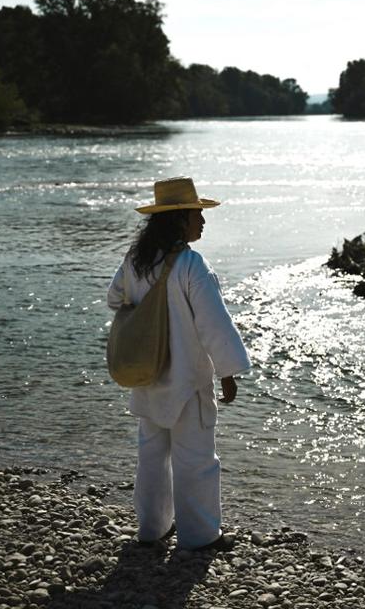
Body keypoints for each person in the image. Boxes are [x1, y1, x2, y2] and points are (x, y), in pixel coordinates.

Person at [107, 176, 251, 551]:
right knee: (196, 458)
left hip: (147, 374)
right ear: (179, 219)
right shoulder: (190, 263)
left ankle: (152, 529)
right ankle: (201, 535)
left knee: (152, 455)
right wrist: (228, 372)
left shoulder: (136, 261)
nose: (202, 221)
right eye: (196, 214)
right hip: (186, 380)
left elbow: (114, 298)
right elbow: (213, 322)